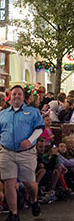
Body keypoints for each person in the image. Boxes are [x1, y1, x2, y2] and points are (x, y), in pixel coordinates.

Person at [0, 85, 45, 219]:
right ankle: (14, 213)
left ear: (23, 97)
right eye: (14, 94)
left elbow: (39, 128)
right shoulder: (3, 114)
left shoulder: (32, 112)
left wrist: (29, 140)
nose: (17, 97)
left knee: (29, 183)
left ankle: (34, 199)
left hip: (26, 153)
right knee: (9, 182)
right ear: (10, 97)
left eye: (19, 94)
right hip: (7, 152)